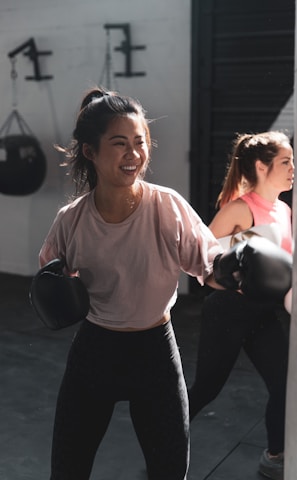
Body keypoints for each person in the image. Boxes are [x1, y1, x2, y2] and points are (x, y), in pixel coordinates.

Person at [38, 86, 225, 480]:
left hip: (155, 350)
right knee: (67, 469)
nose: (134, 154)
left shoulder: (167, 206)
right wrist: (53, 290)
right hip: (95, 351)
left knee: (170, 470)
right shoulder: (71, 220)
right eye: (120, 144)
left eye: (140, 143)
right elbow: (48, 279)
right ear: (90, 151)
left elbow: (208, 261)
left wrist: (234, 270)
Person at [188, 131, 294, 480]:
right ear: (262, 166)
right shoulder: (237, 209)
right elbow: (203, 265)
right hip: (228, 311)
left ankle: (275, 457)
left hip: (264, 312)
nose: (293, 168)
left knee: (285, 384)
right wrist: (233, 275)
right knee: (207, 388)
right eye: (285, 161)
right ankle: (161, 432)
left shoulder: (283, 209)